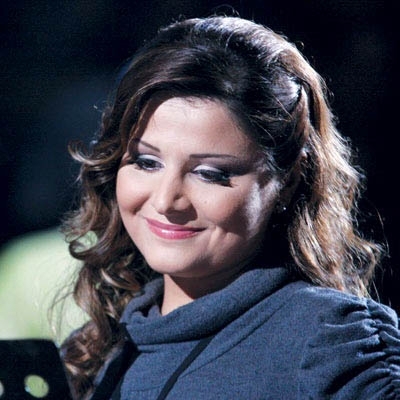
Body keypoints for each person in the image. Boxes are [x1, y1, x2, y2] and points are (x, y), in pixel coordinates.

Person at [59, 15, 400, 399]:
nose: (166, 200)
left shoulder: (330, 343)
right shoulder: (96, 354)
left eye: (210, 173)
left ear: (287, 181)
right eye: (146, 162)